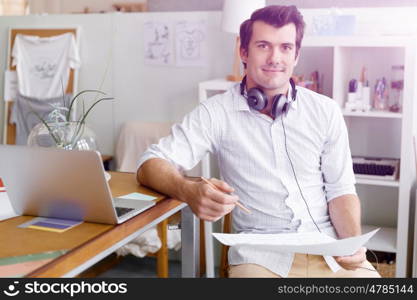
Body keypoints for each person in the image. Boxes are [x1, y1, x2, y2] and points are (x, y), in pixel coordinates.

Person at [137, 5, 380, 278]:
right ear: (243, 51)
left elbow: (341, 190)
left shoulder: (326, 111)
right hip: (261, 256)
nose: (275, 57)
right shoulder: (216, 112)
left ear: (296, 55)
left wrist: (351, 244)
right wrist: (186, 190)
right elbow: (150, 163)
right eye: (263, 45)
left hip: (330, 249)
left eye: (286, 47)